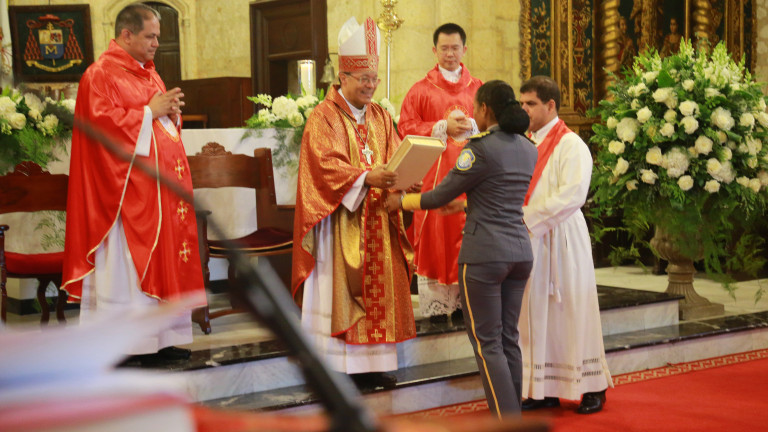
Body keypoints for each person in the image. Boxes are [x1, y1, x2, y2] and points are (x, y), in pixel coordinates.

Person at [61, 3, 206, 362]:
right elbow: (101, 129)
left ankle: (162, 339)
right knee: (127, 270)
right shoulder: (99, 75)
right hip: (124, 199)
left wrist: (171, 115)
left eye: (158, 36)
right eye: (150, 36)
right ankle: (125, 346)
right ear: (126, 34)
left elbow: (162, 128)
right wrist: (149, 112)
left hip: (161, 195)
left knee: (165, 264)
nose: (157, 43)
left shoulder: (151, 75)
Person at [391, 80, 537, 417]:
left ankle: (507, 422)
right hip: (520, 251)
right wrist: (466, 206)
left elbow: (439, 195)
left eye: (475, 108)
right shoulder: (527, 147)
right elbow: (501, 196)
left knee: (487, 343)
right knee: (508, 338)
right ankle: (514, 414)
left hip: (485, 254)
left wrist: (401, 202)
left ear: (485, 109)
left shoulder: (479, 148)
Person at [291, 17, 416, 388]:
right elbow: (324, 166)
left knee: (381, 292)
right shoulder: (324, 117)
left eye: (374, 79)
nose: (371, 85)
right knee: (344, 290)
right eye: (363, 79)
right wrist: (365, 178)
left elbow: (396, 154)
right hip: (342, 225)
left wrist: (405, 179)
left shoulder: (380, 115)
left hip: (379, 219)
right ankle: (342, 368)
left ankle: (375, 365)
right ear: (343, 77)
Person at [518, 76, 613, 414]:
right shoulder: (525, 142)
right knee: (537, 314)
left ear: (550, 105)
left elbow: (573, 195)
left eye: (531, 104)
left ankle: (592, 386)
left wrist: (526, 217)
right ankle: (542, 389)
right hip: (533, 238)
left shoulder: (571, 144)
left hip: (562, 238)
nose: (524, 110)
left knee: (573, 310)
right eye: (522, 103)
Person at [397, 23, 482, 323]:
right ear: (434, 50)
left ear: (464, 49)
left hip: (472, 179)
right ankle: (437, 305)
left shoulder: (478, 89)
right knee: (436, 237)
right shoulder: (420, 90)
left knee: (467, 235)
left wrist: (473, 126)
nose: (449, 53)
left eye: (455, 47)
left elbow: (494, 125)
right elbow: (405, 128)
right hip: (435, 177)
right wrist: (441, 127)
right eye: (444, 48)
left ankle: (464, 303)